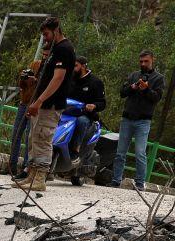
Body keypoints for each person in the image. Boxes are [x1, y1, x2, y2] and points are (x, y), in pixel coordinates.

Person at [16, 16, 75, 194]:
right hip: (40, 103)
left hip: (51, 104)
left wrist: (40, 101)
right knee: (34, 139)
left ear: (56, 29)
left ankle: (40, 178)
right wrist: (33, 102)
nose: (45, 38)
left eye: (47, 33)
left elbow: (58, 79)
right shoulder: (55, 49)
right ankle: (31, 175)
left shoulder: (64, 49)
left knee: (43, 138)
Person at [112, 50, 165, 189]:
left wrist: (146, 89)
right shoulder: (134, 75)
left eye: (146, 61)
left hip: (143, 120)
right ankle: (116, 180)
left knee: (140, 153)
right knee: (120, 152)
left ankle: (140, 183)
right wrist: (133, 87)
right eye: (141, 61)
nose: (143, 64)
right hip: (127, 118)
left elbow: (156, 98)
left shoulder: (158, 78)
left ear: (152, 60)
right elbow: (122, 93)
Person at [7, 45, 50, 178]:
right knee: (16, 134)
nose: (44, 57)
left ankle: (26, 167)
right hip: (24, 102)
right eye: (43, 54)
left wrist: (36, 81)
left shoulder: (50, 68)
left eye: (46, 54)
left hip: (36, 104)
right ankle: (11, 166)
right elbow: (22, 84)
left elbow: (46, 86)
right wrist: (24, 78)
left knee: (29, 138)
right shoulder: (35, 64)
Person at [69, 55, 106, 185]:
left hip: (86, 116)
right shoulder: (69, 79)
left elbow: (102, 103)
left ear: (83, 66)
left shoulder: (95, 82)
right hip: (67, 113)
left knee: (82, 121)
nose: (73, 68)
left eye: (76, 66)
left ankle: (75, 150)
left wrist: (93, 106)